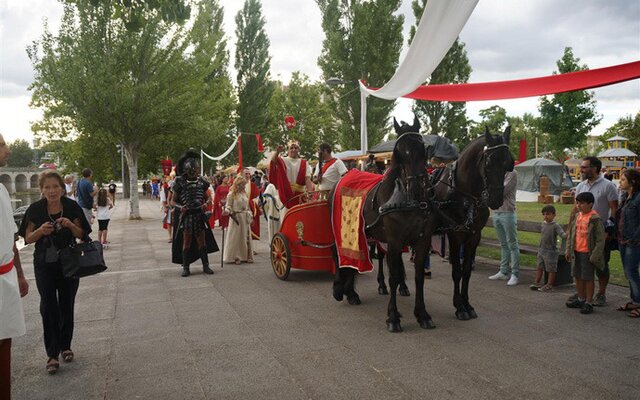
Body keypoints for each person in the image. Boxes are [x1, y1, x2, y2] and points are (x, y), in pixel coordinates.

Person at [19, 170, 90, 374]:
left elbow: (83, 234)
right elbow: (27, 238)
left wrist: (70, 225)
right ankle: (52, 354)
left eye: (55, 187)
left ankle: (65, 346)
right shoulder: (35, 209)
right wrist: (40, 231)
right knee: (48, 306)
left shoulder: (71, 207)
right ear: (42, 190)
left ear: (62, 188)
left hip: (69, 263)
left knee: (67, 303)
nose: (52, 191)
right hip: (44, 264)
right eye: (47, 187)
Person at [0, 133, 29, 399]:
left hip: (6, 276)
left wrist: (19, 273)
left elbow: (11, 238)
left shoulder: (1, 190)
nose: (8, 151)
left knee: (5, 341)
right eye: (2, 145)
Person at [569, 156, 618, 307]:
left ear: (595, 168)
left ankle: (601, 293)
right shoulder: (580, 186)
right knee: (581, 266)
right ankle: (582, 294)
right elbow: (576, 208)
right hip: (581, 234)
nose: (581, 170)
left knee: (601, 264)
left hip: (600, 233)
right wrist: (570, 227)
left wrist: (608, 231)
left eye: (584, 167)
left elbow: (614, 209)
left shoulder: (608, 186)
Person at [171, 150, 218, 277]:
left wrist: (206, 203)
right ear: (187, 170)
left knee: (201, 241)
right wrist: (181, 207)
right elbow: (172, 201)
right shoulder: (179, 182)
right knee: (186, 241)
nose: (195, 172)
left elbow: (208, 198)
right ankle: (186, 267)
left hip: (199, 215)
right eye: (193, 170)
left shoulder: (202, 182)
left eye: (196, 170)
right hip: (186, 216)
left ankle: (206, 266)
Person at [565, 192, 605, 314]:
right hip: (576, 251)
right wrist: (568, 249)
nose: (579, 205)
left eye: (582, 203)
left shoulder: (595, 219)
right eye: (577, 203)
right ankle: (581, 298)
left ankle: (589, 302)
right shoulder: (577, 216)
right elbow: (571, 234)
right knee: (577, 276)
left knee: (588, 278)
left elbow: (600, 239)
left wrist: (594, 255)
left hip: (588, 253)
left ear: (590, 204)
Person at [614, 168, 640, 318]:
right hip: (622, 239)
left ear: (633, 181)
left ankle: (638, 302)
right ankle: (634, 300)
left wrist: (635, 238)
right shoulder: (624, 196)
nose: (620, 182)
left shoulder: (638, 198)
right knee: (628, 271)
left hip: (633, 241)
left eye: (623, 179)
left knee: (631, 271)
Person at [488, 170, 520, 286]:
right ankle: (503, 271)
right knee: (503, 244)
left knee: (512, 244)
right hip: (496, 212)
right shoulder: (497, 173)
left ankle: (515, 274)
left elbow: (502, 191)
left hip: (507, 212)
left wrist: (490, 189)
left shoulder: (512, 173)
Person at [530, 205, 567, 292]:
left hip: (551, 251)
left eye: (548, 214)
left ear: (554, 215)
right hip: (541, 249)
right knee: (539, 267)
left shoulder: (555, 226)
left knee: (551, 269)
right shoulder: (543, 224)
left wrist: (567, 233)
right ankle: (537, 282)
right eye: (544, 214)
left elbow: (563, 235)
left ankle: (549, 285)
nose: (545, 216)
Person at [269, 140, 313, 210]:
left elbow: (307, 179)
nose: (293, 150)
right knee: (286, 215)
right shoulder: (283, 160)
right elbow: (273, 161)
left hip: (300, 196)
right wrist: (277, 152)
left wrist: (310, 192)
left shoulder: (304, 163)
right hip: (285, 195)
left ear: (299, 150)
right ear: (288, 150)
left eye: (296, 148)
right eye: (291, 148)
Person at [223, 177, 254, 264]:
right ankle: (236, 257)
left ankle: (246, 256)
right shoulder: (231, 195)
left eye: (244, 185)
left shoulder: (244, 194)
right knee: (236, 237)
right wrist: (226, 211)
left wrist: (250, 215)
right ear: (238, 185)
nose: (244, 186)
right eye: (243, 185)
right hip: (236, 217)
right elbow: (228, 206)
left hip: (245, 217)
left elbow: (247, 206)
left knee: (245, 237)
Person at [260, 174, 283, 240]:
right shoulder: (271, 186)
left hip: (282, 212)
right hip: (273, 214)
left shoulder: (283, 185)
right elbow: (266, 199)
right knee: (274, 233)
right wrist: (276, 200)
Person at [242, 168, 262, 242]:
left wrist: (250, 203)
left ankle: (250, 244)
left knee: (250, 228)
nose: (247, 175)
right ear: (242, 174)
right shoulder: (238, 185)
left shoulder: (253, 185)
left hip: (250, 209)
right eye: (246, 174)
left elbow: (256, 197)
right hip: (241, 210)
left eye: (248, 174)